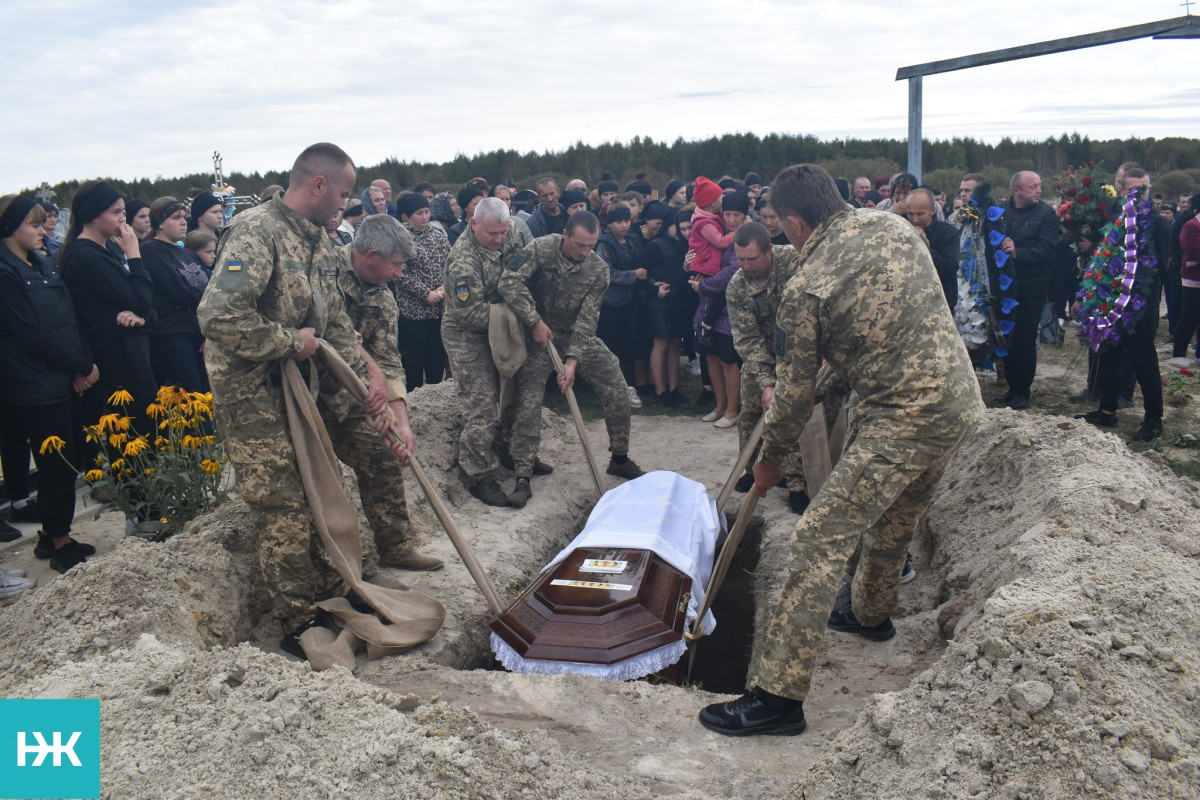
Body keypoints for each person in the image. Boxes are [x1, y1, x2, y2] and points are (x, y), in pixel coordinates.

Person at [698, 164, 983, 737]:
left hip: (900, 416)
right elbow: (867, 343)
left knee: (813, 543)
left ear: (797, 222)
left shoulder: (807, 286)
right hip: (957, 402)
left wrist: (771, 457)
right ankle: (870, 614)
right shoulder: (896, 227)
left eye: (782, 226)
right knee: (895, 518)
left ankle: (777, 699)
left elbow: (796, 391)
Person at [196, 143, 435, 663]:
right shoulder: (257, 232)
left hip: (303, 391)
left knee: (319, 487)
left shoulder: (321, 243)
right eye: (346, 192)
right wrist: (291, 343)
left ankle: (333, 587)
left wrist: (368, 384)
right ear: (319, 186)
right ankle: (298, 615)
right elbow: (217, 318)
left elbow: (337, 328)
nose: (348, 204)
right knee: (282, 502)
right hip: (253, 395)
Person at [499, 211, 646, 508]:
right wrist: (534, 320)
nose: (584, 252)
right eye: (580, 245)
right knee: (529, 399)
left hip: (576, 336)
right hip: (538, 335)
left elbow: (588, 319)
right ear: (565, 235)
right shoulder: (541, 248)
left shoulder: (598, 269)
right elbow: (508, 282)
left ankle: (619, 457)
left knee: (616, 385)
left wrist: (572, 362)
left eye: (591, 245)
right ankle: (523, 475)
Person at [329, 212, 441, 568]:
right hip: (307, 395)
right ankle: (347, 566)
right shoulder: (321, 272)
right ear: (371, 255)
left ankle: (396, 548)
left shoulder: (383, 299)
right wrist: (371, 373)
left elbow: (389, 361)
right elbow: (328, 333)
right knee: (326, 480)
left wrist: (401, 423)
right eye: (396, 264)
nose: (400, 274)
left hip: (352, 401)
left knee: (383, 453)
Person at [0, 194, 98, 572]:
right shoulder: (6, 273)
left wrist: (80, 366)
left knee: (67, 461)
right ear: (10, 228)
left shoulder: (41, 264)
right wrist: (79, 364)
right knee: (55, 464)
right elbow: (28, 334)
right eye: (34, 224)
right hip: (33, 384)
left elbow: (67, 318)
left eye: (44, 223)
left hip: (61, 375)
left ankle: (53, 532)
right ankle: (59, 543)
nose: (44, 231)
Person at [440, 197, 535, 506]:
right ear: (473, 223)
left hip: (500, 328)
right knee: (480, 405)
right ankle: (478, 474)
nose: (498, 240)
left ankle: (507, 449)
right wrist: (514, 313)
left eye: (502, 233)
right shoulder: (463, 261)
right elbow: (470, 315)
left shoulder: (509, 237)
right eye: (492, 234)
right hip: (468, 336)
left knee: (513, 394)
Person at [59, 181, 159, 435]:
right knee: (135, 431)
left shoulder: (108, 250)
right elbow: (140, 302)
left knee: (148, 426)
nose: (122, 219)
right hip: (116, 355)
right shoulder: (85, 255)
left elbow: (147, 309)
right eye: (115, 212)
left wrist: (143, 319)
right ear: (91, 215)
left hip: (132, 349)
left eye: (124, 212)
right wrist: (135, 255)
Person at [1078, 172, 1170, 442]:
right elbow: (1106, 256)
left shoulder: (1157, 225)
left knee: (1144, 361)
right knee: (1108, 355)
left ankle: (1154, 419)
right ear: (1119, 189)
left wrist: (1133, 295)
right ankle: (1107, 410)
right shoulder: (1114, 219)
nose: (1141, 194)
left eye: (1145, 188)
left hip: (1141, 305)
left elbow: (1160, 268)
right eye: (1133, 188)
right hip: (1110, 301)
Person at [725, 222, 809, 513]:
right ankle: (750, 469)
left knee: (794, 416)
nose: (746, 265)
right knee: (750, 413)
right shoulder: (737, 287)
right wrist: (766, 383)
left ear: (769, 249)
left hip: (801, 352)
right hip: (761, 354)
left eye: (752, 259)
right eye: (740, 259)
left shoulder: (794, 262)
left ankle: (797, 483)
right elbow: (747, 340)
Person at [990, 171, 1057, 410]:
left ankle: (1022, 391)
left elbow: (1048, 250)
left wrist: (1019, 251)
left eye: (1039, 186)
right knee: (1006, 337)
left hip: (1031, 285)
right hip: (1003, 285)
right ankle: (1011, 386)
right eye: (1033, 187)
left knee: (1025, 340)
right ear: (1016, 191)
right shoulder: (1000, 212)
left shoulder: (1046, 214)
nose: (1039, 190)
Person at [140, 197, 210, 392]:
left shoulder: (188, 253)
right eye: (176, 217)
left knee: (206, 398)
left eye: (184, 217)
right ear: (160, 222)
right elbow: (178, 291)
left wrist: (207, 334)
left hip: (198, 335)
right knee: (189, 399)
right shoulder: (151, 249)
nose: (183, 222)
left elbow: (211, 288)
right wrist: (207, 300)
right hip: (172, 336)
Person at [394, 191, 449, 390]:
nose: (425, 216)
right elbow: (399, 273)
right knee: (414, 360)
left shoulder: (438, 236)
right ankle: (413, 402)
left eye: (427, 212)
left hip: (438, 311)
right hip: (414, 312)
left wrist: (445, 286)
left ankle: (435, 397)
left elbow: (449, 263)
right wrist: (426, 293)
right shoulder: (401, 239)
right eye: (419, 213)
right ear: (408, 215)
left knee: (436, 357)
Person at [595, 202, 646, 405]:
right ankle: (611, 390)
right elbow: (606, 272)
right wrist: (634, 275)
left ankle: (630, 386)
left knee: (630, 346)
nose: (624, 225)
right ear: (610, 223)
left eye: (627, 220)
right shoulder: (603, 243)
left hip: (632, 302)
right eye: (619, 221)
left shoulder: (633, 240)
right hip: (612, 304)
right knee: (612, 348)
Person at [642, 208, 691, 406]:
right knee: (661, 344)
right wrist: (654, 289)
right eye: (677, 227)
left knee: (675, 344)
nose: (682, 232)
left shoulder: (684, 245)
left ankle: (673, 388)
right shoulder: (655, 246)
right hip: (659, 302)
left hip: (678, 301)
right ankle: (660, 390)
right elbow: (640, 273)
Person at [905, 188, 960, 311]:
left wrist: (924, 245)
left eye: (920, 214)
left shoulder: (948, 232)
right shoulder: (901, 229)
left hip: (940, 306)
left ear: (933, 211)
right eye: (910, 214)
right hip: (909, 306)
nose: (915, 220)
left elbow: (949, 268)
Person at [1171, 191, 1200, 365]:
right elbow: (1193, 250)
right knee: (1189, 315)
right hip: (1193, 278)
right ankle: (1179, 354)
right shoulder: (1191, 225)